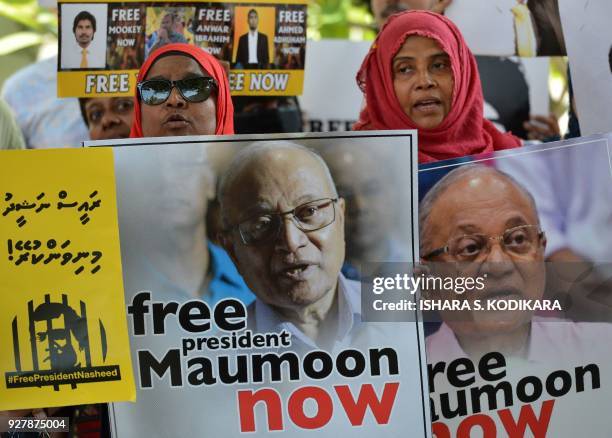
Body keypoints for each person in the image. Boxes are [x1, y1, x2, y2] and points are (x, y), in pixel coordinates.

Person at [420, 164, 612, 363]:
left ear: (541, 252)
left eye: (517, 240)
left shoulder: (602, 351)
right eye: (470, 248)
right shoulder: (413, 380)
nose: (498, 265)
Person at [218, 141, 370, 351]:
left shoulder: (405, 314)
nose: (291, 241)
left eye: (308, 212)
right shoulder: (217, 357)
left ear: (340, 218)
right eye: (262, 224)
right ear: (232, 250)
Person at [354, 10, 521, 163]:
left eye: (439, 65)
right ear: (383, 84)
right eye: (405, 69)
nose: (424, 82)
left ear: (463, 72)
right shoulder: (356, 163)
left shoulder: (511, 159)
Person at [130, 42, 234, 137]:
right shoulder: (120, 158)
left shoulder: (249, 158)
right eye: (156, 90)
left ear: (220, 103)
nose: (174, 101)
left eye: (194, 87)